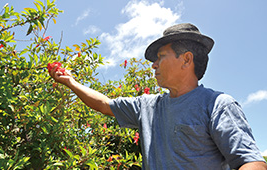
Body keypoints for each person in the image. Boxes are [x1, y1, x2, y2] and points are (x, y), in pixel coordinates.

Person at [50, 23, 267, 169]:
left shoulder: (218, 105)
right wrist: (71, 82)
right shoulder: (147, 106)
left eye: (161, 57)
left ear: (186, 60)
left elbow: (250, 162)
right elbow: (105, 104)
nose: (153, 65)